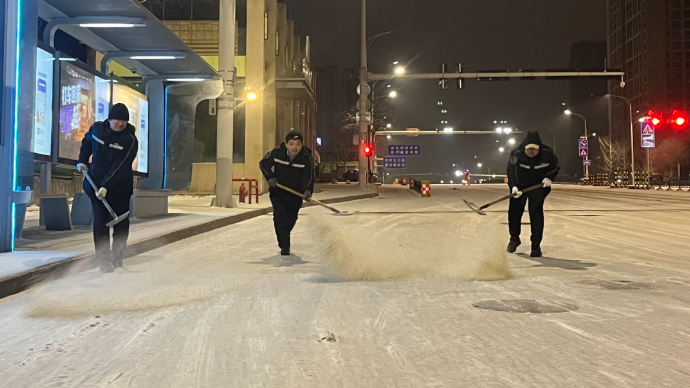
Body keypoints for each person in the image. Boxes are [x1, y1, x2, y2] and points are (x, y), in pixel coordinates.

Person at [77, 103, 138, 272]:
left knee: (120, 225)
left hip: (120, 188)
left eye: (124, 121)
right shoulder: (97, 130)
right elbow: (87, 142)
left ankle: (117, 260)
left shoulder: (130, 140)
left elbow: (121, 166)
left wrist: (106, 186)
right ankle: (103, 262)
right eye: (118, 120)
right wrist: (82, 160)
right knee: (100, 224)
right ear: (110, 119)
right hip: (96, 186)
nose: (121, 124)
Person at [259, 132, 315, 256]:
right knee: (280, 216)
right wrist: (270, 177)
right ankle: (285, 245)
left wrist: (307, 190)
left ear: (301, 145)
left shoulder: (306, 157)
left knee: (291, 219)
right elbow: (263, 164)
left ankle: (284, 237)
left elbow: (309, 176)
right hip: (278, 193)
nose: (294, 147)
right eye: (291, 144)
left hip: (295, 194)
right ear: (286, 144)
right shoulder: (278, 152)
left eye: (297, 144)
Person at [506, 131, 559, 257]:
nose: (531, 151)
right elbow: (511, 171)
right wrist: (513, 186)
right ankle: (514, 238)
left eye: (534, 149)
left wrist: (549, 178)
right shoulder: (516, 154)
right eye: (529, 149)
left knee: (536, 213)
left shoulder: (548, 153)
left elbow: (555, 168)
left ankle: (535, 246)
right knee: (514, 211)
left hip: (539, 186)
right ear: (524, 147)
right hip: (519, 187)